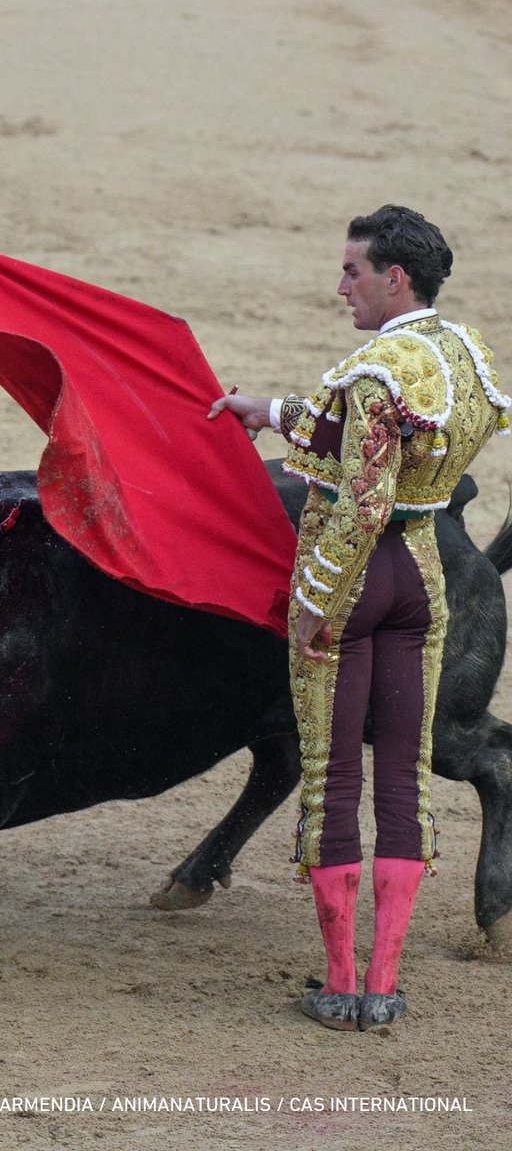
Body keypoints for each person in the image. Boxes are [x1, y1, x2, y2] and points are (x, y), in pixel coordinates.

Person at [209, 205, 509, 1032]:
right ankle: (385, 986)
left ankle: (341, 989)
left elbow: (360, 496)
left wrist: (312, 603)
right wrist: (267, 409)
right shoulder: (465, 354)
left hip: (357, 578)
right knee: (405, 780)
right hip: (423, 576)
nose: (342, 285)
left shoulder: (376, 369)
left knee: (336, 779)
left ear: (394, 277)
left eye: (352, 271)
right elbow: (372, 437)